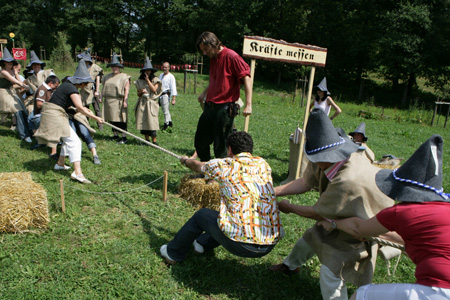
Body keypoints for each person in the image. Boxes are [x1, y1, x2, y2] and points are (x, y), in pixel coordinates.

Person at [269, 108, 394, 300]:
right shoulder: (322, 154)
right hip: (338, 215)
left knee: (332, 271)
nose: (315, 162)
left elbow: (319, 213)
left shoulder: (348, 179)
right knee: (310, 237)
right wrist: (272, 192)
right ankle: (290, 266)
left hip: (363, 226)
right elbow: (306, 182)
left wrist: (289, 207)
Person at [317, 134, 450, 300]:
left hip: (438, 289)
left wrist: (334, 223)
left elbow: (358, 227)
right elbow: (408, 239)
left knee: (361, 295)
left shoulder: (402, 212)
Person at [160, 131, 284, 264]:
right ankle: (201, 244)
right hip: (270, 243)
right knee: (226, 215)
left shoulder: (224, 164)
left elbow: (197, 166)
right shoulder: (263, 164)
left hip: (242, 245)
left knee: (201, 215)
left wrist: (185, 160)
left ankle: (173, 254)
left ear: (229, 149)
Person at [34, 59, 104, 183]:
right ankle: (78, 173)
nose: (85, 86)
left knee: (68, 139)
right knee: (75, 142)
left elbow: (71, 106)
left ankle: (60, 164)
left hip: (57, 114)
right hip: (54, 115)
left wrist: (89, 113)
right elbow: (80, 108)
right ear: (81, 81)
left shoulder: (67, 86)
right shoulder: (71, 88)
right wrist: (96, 118)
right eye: (85, 83)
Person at [194, 31, 252, 162]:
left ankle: (220, 177)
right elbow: (217, 79)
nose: (204, 53)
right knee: (200, 141)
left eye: (205, 49)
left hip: (225, 109)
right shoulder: (213, 58)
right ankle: (207, 170)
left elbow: (247, 78)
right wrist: (204, 93)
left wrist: (248, 104)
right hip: (210, 106)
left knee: (220, 147)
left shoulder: (232, 56)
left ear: (213, 43)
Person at [0, 48, 32, 142]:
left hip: (11, 91)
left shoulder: (12, 70)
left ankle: (27, 131)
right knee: (17, 111)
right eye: (8, 62)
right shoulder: (3, 72)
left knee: (23, 110)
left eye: (11, 62)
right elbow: (14, 81)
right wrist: (25, 86)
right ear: (4, 63)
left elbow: (17, 79)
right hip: (3, 93)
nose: (10, 63)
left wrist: (16, 73)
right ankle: (24, 135)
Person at [100, 53, 131, 144]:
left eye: (116, 67)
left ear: (119, 67)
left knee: (120, 119)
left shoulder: (124, 77)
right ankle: (115, 135)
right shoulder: (107, 77)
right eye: (113, 67)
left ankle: (124, 137)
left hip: (118, 101)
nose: (114, 68)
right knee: (112, 119)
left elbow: (127, 90)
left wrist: (125, 100)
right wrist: (101, 97)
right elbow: (103, 88)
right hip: (109, 101)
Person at [28, 75, 60, 153]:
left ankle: (42, 142)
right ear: (51, 83)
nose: (55, 89)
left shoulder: (47, 89)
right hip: (40, 116)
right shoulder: (42, 89)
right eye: (55, 86)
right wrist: (51, 106)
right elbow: (39, 104)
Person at [134, 57, 162, 145]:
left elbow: (154, 90)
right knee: (144, 121)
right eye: (146, 71)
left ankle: (154, 141)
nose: (148, 72)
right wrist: (141, 92)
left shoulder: (155, 80)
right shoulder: (139, 81)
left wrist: (147, 80)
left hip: (151, 103)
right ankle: (146, 140)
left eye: (149, 71)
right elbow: (138, 94)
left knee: (152, 121)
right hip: (143, 103)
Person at [77, 49, 103, 130]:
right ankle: (85, 124)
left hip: (92, 91)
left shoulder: (95, 68)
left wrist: (97, 91)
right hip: (84, 91)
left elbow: (98, 79)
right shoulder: (80, 67)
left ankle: (100, 126)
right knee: (85, 108)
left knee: (97, 109)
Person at [158, 61, 177, 130]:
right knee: (165, 109)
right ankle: (170, 122)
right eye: (163, 67)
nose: (164, 68)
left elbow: (173, 88)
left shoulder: (171, 77)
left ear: (169, 68)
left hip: (166, 95)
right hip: (160, 95)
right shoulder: (161, 75)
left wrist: (173, 99)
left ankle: (166, 124)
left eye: (166, 67)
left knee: (165, 111)